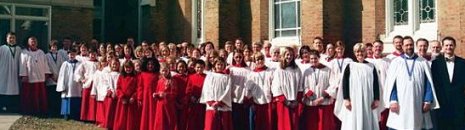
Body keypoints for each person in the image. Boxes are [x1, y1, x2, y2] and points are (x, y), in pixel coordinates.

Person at [384, 36, 439, 130]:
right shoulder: (396, 62)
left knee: (417, 125)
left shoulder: (422, 62)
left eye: (411, 45)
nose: (409, 47)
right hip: (400, 102)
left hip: (418, 101)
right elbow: (392, 84)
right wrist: (393, 100)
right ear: (402, 46)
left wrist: (427, 100)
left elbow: (428, 83)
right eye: (406, 45)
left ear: (413, 45)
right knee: (400, 124)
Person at [334, 43, 382, 130]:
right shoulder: (350, 66)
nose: (360, 54)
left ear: (366, 52)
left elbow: (376, 84)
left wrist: (377, 99)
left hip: (368, 100)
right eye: (357, 52)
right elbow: (345, 84)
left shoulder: (371, 66)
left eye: (362, 51)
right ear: (354, 53)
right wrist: (346, 99)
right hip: (353, 100)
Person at [431, 36, 465, 130]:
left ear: (454, 46)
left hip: (459, 103)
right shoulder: (435, 64)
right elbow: (434, 84)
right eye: (446, 45)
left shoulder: (462, 63)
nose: (449, 47)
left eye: (451, 45)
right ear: (442, 47)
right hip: (442, 102)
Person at [301, 49, 334, 130]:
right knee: (312, 125)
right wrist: (313, 98)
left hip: (324, 102)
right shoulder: (307, 71)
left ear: (319, 58)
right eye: (311, 58)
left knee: (324, 126)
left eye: (315, 58)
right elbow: (304, 86)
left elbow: (332, 85)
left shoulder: (327, 70)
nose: (313, 60)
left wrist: (322, 98)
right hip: (312, 103)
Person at [271, 47, 302, 130]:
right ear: (283, 56)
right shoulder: (279, 70)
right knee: (284, 126)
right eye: (287, 54)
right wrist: (286, 102)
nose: (289, 57)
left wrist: (297, 101)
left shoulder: (297, 69)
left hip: (294, 102)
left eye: (291, 55)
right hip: (283, 103)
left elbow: (300, 86)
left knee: (294, 124)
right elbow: (276, 87)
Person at [19, 36, 51, 115]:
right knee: (29, 96)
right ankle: (29, 110)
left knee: (40, 96)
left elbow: (45, 63)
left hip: (40, 77)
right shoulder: (24, 53)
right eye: (31, 41)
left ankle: (41, 110)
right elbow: (22, 64)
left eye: (35, 41)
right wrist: (24, 75)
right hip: (29, 78)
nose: (33, 43)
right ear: (28, 43)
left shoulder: (41, 52)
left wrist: (46, 73)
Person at [200, 57, 233, 130]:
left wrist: (220, 102)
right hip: (211, 106)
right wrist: (211, 102)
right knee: (211, 126)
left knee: (223, 126)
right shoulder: (210, 75)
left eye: (221, 65)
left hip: (223, 106)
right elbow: (206, 89)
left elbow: (228, 90)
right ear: (214, 65)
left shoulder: (227, 77)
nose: (220, 66)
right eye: (218, 64)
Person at [245, 52, 274, 130]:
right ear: (254, 61)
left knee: (268, 124)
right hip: (256, 102)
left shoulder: (270, 71)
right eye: (257, 59)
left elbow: (274, 86)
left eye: (261, 59)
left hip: (268, 102)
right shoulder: (251, 74)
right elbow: (248, 90)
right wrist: (251, 102)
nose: (259, 61)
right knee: (257, 124)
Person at [365, 40, 391, 130]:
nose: (378, 48)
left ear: (383, 48)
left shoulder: (388, 61)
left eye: (380, 47)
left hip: (384, 94)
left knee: (384, 118)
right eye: (376, 46)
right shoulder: (367, 62)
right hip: (372, 95)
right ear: (372, 48)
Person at [56, 49, 82, 120]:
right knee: (66, 97)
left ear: (76, 54)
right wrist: (62, 85)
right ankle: (66, 114)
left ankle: (75, 114)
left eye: (73, 54)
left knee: (76, 98)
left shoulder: (79, 64)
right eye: (70, 54)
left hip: (76, 85)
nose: (72, 56)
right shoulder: (65, 64)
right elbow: (62, 75)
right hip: (67, 84)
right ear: (68, 55)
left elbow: (81, 73)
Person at [113, 61, 139, 130]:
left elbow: (137, 89)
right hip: (122, 100)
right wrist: (122, 97)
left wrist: (133, 97)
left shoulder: (135, 77)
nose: (128, 69)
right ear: (123, 68)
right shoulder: (121, 76)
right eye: (126, 67)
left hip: (131, 101)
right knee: (121, 116)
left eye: (129, 67)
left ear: (132, 68)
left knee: (131, 117)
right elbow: (118, 88)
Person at [0, 32, 22, 113]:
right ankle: (3, 107)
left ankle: (13, 107)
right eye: (10, 38)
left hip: (14, 73)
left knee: (14, 89)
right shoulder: (2, 48)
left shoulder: (19, 49)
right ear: (6, 39)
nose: (11, 39)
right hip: (3, 73)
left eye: (13, 38)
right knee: (3, 89)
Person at [153, 63, 179, 130]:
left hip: (168, 105)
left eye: (166, 71)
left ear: (168, 71)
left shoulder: (172, 81)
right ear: (160, 71)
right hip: (160, 105)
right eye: (163, 71)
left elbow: (175, 93)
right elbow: (157, 91)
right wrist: (155, 95)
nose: (164, 72)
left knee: (169, 121)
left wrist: (166, 95)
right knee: (160, 121)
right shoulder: (159, 81)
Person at [75, 48, 98, 121]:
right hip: (87, 83)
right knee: (86, 101)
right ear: (89, 54)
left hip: (96, 84)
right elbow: (77, 72)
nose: (92, 56)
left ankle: (93, 117)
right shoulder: (85, 63)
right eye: (91, 54)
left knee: (94, 102)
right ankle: (85, 117)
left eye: (94, 54)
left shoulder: (98, 63)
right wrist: (81, 79)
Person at [46, 40, 67, 116]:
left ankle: (58, 111)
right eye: (52, 47)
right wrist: (51, 76)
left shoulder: (60, 55)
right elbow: (46, 66)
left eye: (55, 47)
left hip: (58, 79)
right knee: (51, 96)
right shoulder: (47, 56)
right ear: (50, 48)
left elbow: (62, 66)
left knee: (57, 97)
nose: (54, 48)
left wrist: (59, 77)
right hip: (51, 79)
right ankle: (51, 112)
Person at [138, 57, 160, 130]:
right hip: (145, 98)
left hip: (154, 98)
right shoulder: (142, 74)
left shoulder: (158, 74)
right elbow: (140, 87)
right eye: (148, 64)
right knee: (145, 114)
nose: (150, 66)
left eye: (152, 64)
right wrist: (140, 98)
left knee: (153, 113)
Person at [185, 60, 207, 130]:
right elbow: (188, 88)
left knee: (201, 120)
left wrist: (203, 98)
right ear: (194, 68)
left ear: (204, 68)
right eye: (198, 67)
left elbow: (208, 89)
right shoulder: (190, 77)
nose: (199, 69)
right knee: (192, 121)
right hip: (192, 102)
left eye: (201, 67)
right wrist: (191, 96)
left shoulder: (207, 77)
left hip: (202, 102)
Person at [173, 60, 189, 130]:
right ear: (176, 67)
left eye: (183, 67)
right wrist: (176, 101)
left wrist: (184, 101)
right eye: (179, 67)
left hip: (184, 103)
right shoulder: (174, 78)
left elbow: (189, 90)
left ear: (185, 68)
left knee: (183, 121)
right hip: (175, 102)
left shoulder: (188, 78)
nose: (181, 68)